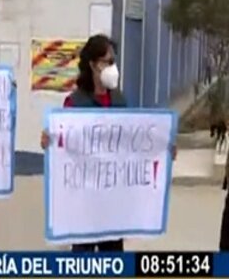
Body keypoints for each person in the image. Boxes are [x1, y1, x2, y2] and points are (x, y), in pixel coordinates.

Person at [40, 34, 176, 252]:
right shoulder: (75, 103)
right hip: (84, 203)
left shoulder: (120, 101)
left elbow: (134, 144)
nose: (113, 68)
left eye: (114, 62)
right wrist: (50, 141)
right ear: (93, 65)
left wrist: (163, 149)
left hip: (113, 206)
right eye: (108, 61)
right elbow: (64, 145)